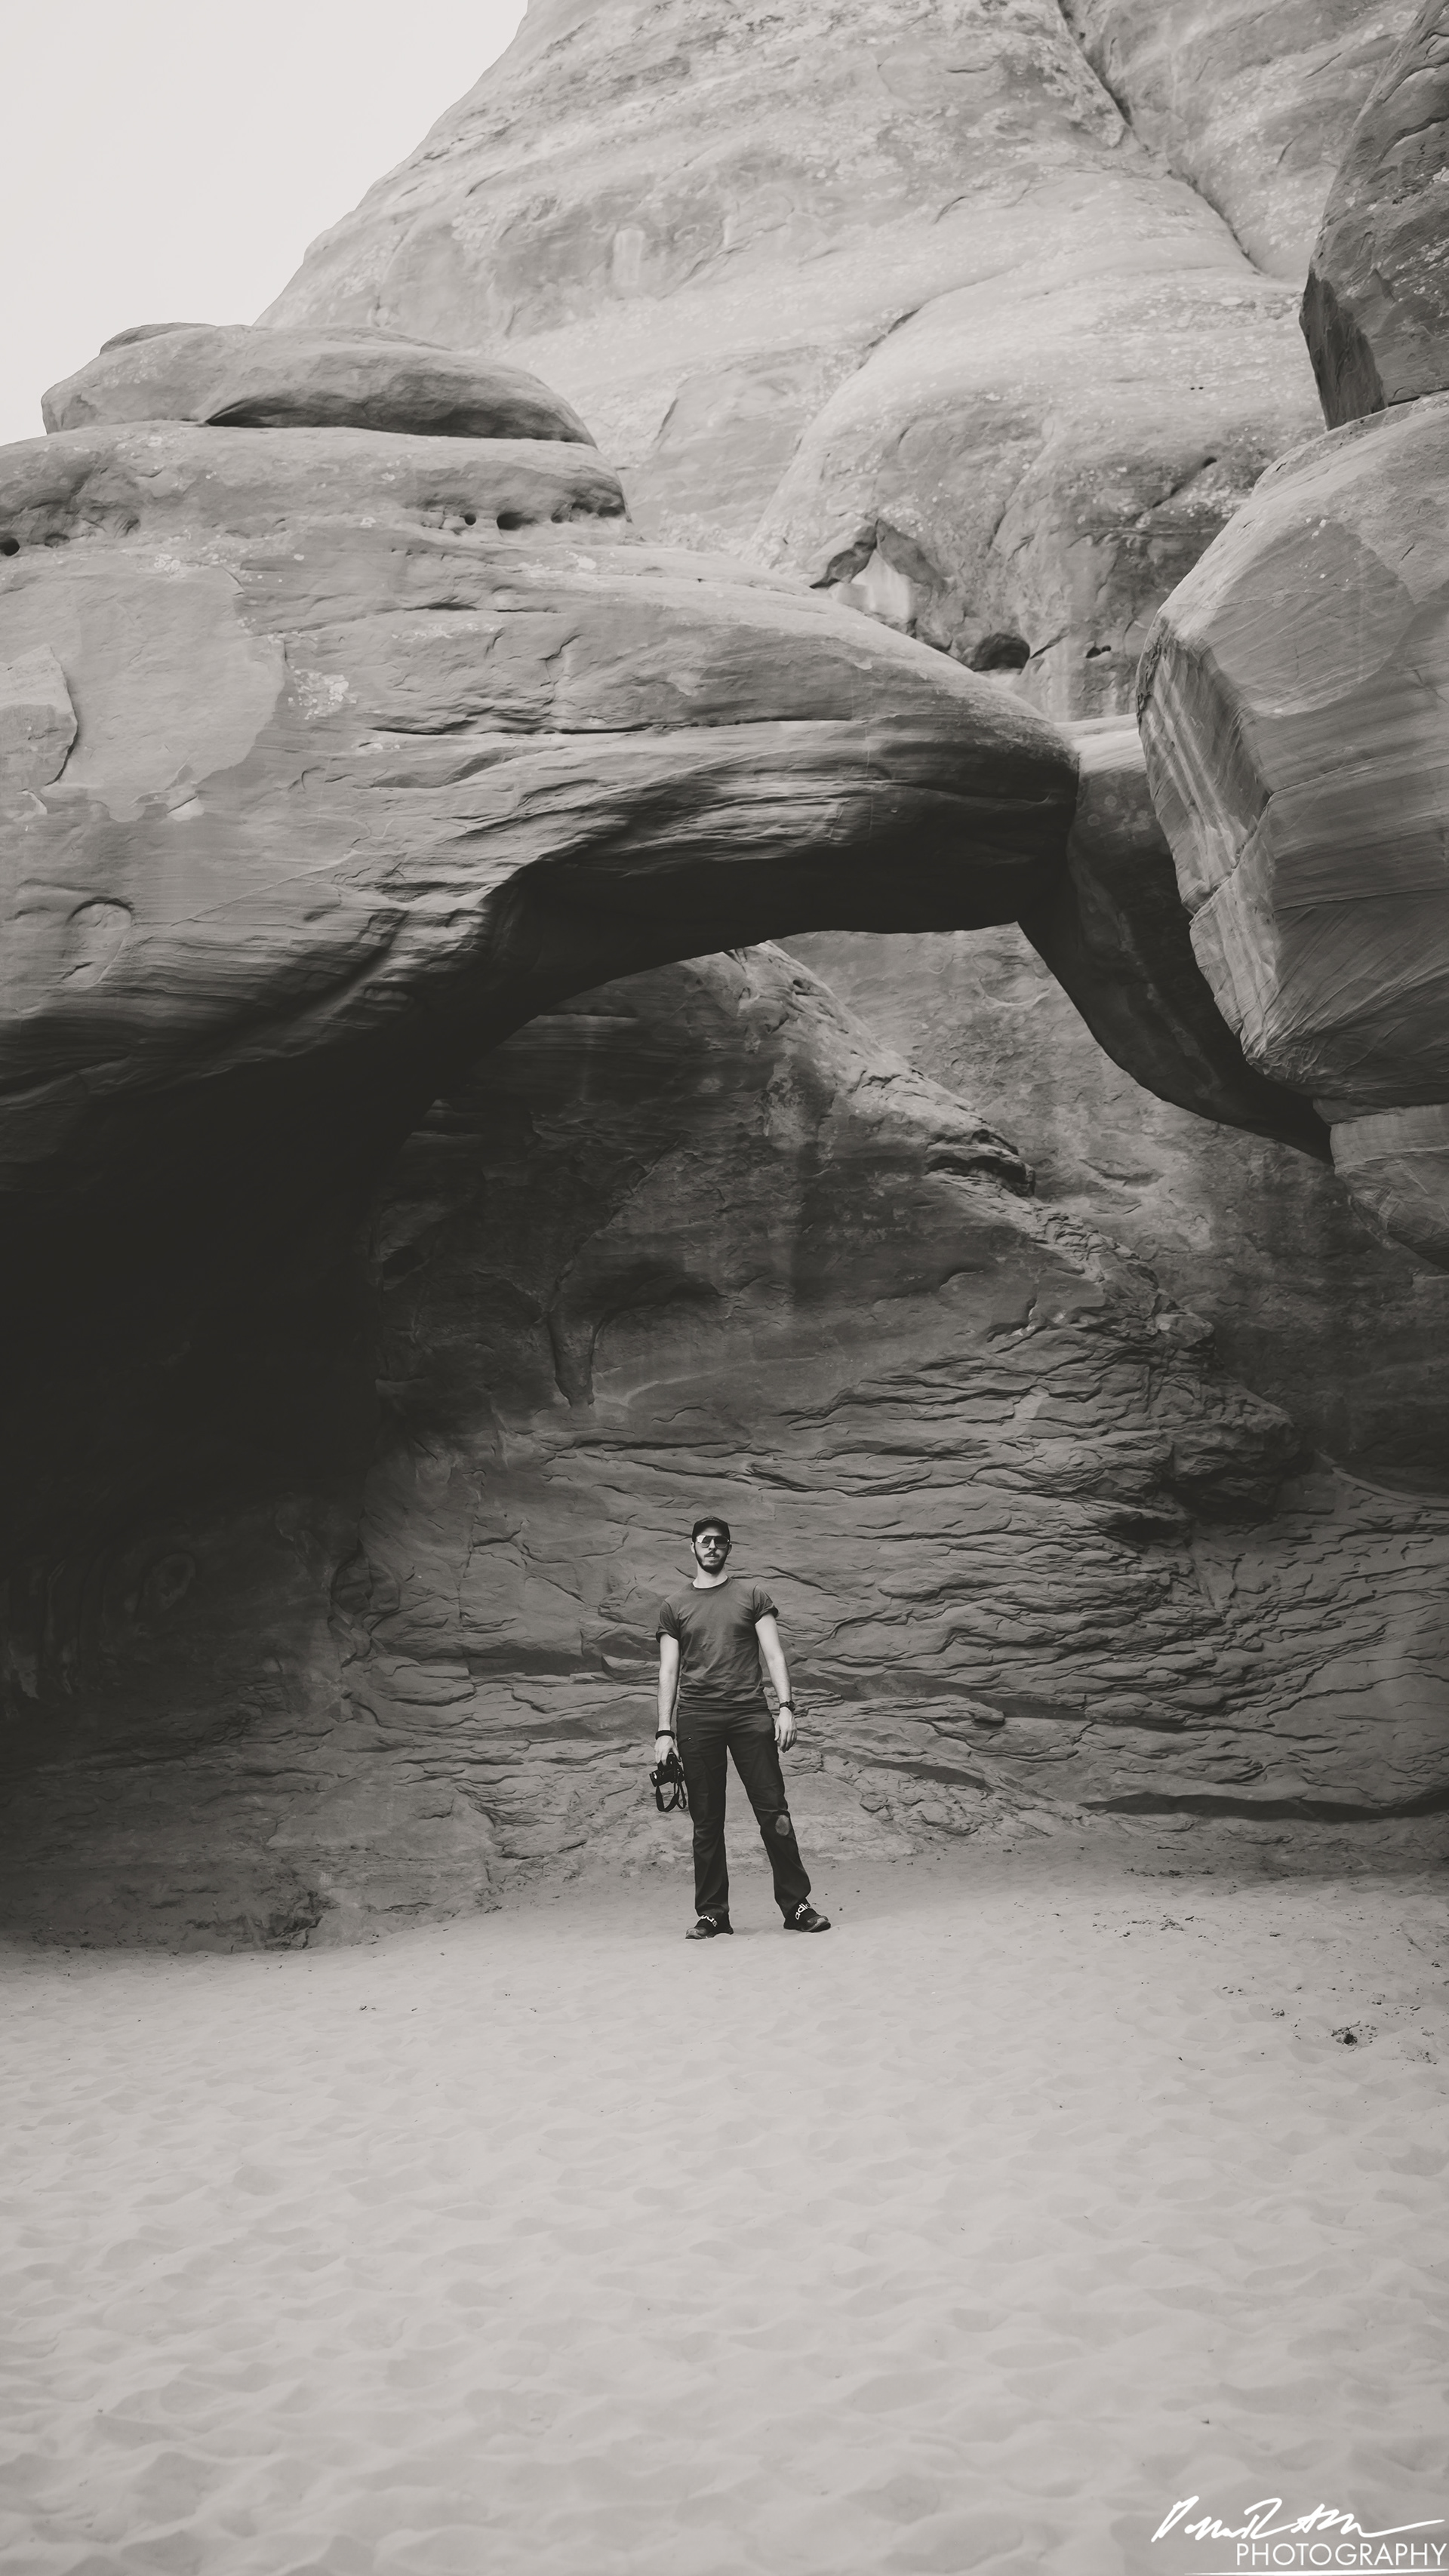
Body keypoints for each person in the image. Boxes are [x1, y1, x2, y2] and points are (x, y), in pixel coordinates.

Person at [654, 1515, 830, 1940]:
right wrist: (664, 1732)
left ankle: (797, 1906)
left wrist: (786, 1707)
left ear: (729, 1547)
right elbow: (668, 1671)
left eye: (719, 1541)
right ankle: (713, 1913)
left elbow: (774, 1655)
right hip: (697, 1718)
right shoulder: (674, 1605)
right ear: (691, 1547)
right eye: (704, 1541)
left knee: (774, 1813)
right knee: (706, 1821)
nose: (712, 1547)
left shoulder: (752, 1595)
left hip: (750, 1713)